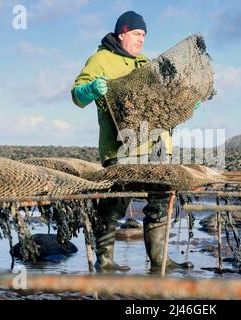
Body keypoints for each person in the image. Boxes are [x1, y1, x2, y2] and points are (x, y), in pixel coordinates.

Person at [71, 11, 194, 272]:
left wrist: (184, 101)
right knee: (116, 201)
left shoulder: (146, 64)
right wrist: (91, 89)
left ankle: (160, 261)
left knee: (160, 199)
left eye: (144, 35)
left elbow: (164, 100)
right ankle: (104, 260)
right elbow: (77, 96)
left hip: (157, 147)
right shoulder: (101, 60)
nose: (142, 40)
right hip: (121, 148)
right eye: (137, 34)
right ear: (122, 33)